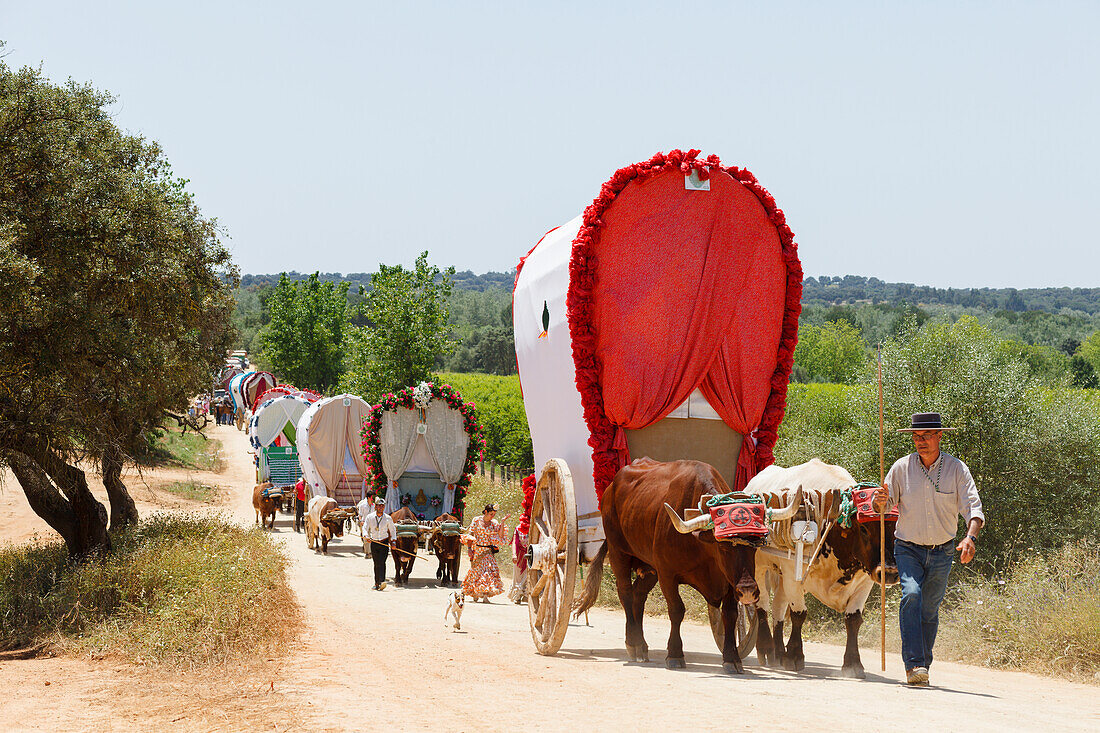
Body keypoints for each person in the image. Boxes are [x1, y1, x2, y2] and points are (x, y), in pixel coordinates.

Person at [873, 412, 984, 687]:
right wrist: (880, 501)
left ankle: (924, 663)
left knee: (929, 609)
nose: (921, 442)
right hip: (907, 547)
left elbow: (974, 508)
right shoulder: (901, 467)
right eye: (917, 437)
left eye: (927, 436)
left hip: (943, 551)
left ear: (939, 436)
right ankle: (914, 666)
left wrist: (969, 537)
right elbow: (883, 507)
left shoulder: (957, 469)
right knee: (911, 595)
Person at [461, 503, 510, 602]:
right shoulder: (476, 520)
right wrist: (469, 549)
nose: (492, 516)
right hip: (478, 550)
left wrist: (503, 522)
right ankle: (476, 591)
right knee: (476, 572)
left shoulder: (494, 523)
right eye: (491, 514)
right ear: (486, 512)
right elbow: (470, 535)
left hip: (488, 551)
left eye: (494, 514)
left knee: (489, 570)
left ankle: (485, 595)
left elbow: (500, 536)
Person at [361, 496, 397, 590]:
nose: (380, 507)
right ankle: (376, 583)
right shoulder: (370, 517)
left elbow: (393, 530)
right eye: (379, 506)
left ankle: (382, 582)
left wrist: (393, 541)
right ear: (375, 506)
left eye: (382, 506)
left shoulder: (388, 518)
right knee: (376, 563)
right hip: (374, 542)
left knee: (382, 562)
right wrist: (366, 536)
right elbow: (365, 527)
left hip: (384, 543)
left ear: (384, 507)